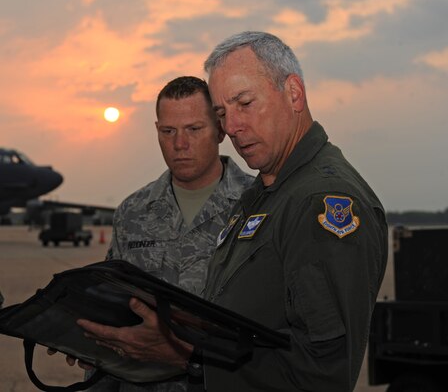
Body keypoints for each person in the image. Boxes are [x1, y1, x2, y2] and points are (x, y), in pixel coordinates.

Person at [78, 32, 388, 392]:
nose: (233, 127)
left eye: (245, 103)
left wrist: (186, 357)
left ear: (294, 93)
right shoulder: (266, 194)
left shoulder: (319, 200)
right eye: (223, 113)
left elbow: (320, 375)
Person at [78, 76, 254, 392]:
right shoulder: (133, 213)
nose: (179, 144)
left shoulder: (261, 206)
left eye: (194, 129)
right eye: (168, 131)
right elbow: (114, 311)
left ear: (220, 130)